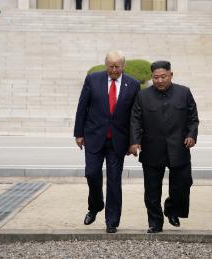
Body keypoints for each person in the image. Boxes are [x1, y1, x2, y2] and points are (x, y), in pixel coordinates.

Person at [73, 50, 140, 233]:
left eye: (117, 66)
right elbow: (82, 107)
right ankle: (95, 206)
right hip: (94, 137)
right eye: (111, 66)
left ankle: (112, 221)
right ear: (105, 65)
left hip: (118, 141)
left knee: (114, 181)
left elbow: (135, 116)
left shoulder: (132, 84)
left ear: (123, 66)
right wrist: (78, 134)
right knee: (91, 174)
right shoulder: (93, 80)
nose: (114, 70)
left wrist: (134, 141)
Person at [129, 60, 199, 233]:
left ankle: (172, 209)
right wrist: (134, 141)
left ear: (171, 75)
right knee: (152, 190)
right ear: (152, 77)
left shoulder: (184, 92)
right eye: (156, 77)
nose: (160, 80)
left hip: (179, 147)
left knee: (183, 184)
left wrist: (191, 135)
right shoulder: (143, 96)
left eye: (163, 77)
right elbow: (135, 120)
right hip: (152, 148)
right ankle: (155, 223)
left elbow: (193, 118)